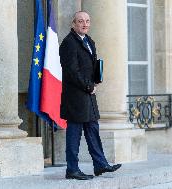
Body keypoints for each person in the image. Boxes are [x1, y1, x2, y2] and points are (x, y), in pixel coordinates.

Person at [59, 11, 122, 180]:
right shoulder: (68, 43)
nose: (84, 24)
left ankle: (100, 165)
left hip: (88, 95)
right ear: (73, 24)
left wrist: (96, 79)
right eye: (80, 21)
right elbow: (72, 71)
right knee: (74, 133)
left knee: (93, 129)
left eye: (87, 21)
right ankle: (72, 169)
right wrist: (88, 86)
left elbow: (91, 65)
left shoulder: (89, 41)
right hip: (75, 97)